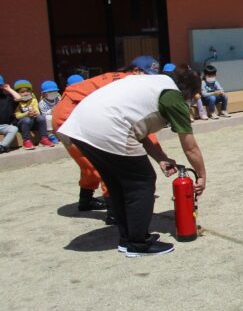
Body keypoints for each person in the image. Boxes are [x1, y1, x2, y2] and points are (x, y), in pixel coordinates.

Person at [58, 66, 207, 257]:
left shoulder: (152, 83)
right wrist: (201, 175)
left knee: (117, 183)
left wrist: (160, 158)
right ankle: (139, 243)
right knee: (141, 182)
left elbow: (137, 128)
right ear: (189, 92)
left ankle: (127, 238)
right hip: (106, 126)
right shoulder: (172, 97)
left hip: (79, 126)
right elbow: (190, 147)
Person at [53, 60, 162, 216]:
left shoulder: (123, 79)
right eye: (148, 75)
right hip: (72, 114)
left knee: (89, 163)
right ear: (137, 71)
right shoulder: (129, 84)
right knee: (107, 160)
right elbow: (140, 124)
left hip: (67, 110)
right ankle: (114, 210)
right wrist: (160, 156)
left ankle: (86, 200)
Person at [14, 80, 54, 150]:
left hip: (33, 121)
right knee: (27, 119)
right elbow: (17, 116)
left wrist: (35, 113)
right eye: (22, 92)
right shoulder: (16, 102)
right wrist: (27, 114)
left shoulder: (33, 100)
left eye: (27, 91)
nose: (26, 94)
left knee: (41, 118)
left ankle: (44, 138)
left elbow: (37, 112)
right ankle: (26, 140)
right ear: (17, 93)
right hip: (22, 124)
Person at [0, 75, 20, 154]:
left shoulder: (7, 97)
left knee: (14, 129)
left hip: (4, 125)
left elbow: (18, 98)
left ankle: (2, 146)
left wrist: (8, 88)